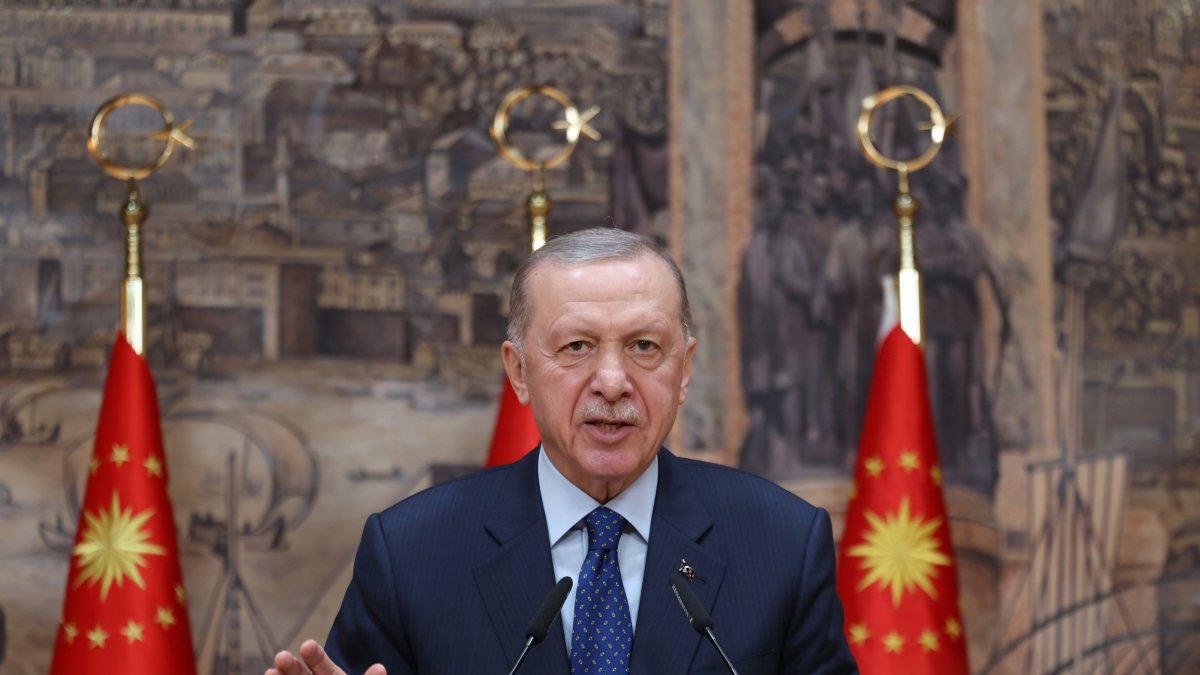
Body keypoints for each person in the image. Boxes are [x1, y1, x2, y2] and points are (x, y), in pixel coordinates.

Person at [267, 228, 857, 675]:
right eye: (576, 346)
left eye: (644, 346)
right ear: (519, 372)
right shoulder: (412, 554)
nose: (612, 381)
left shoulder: (781, 544)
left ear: (684, 371)